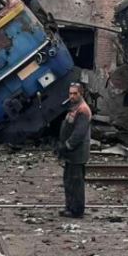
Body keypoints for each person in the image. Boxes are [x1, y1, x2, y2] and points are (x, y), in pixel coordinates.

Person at [57, 82, 91, 218]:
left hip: (77, 154)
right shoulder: (74, 108)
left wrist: (67, 146)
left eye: (75, 93)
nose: (72, 96)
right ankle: (70, 207)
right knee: (69, 182)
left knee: (76, 183)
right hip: (71, 154)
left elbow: (79, 134)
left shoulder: (83, 110)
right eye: (70, 93)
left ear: (81, 94)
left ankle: (77, 210)